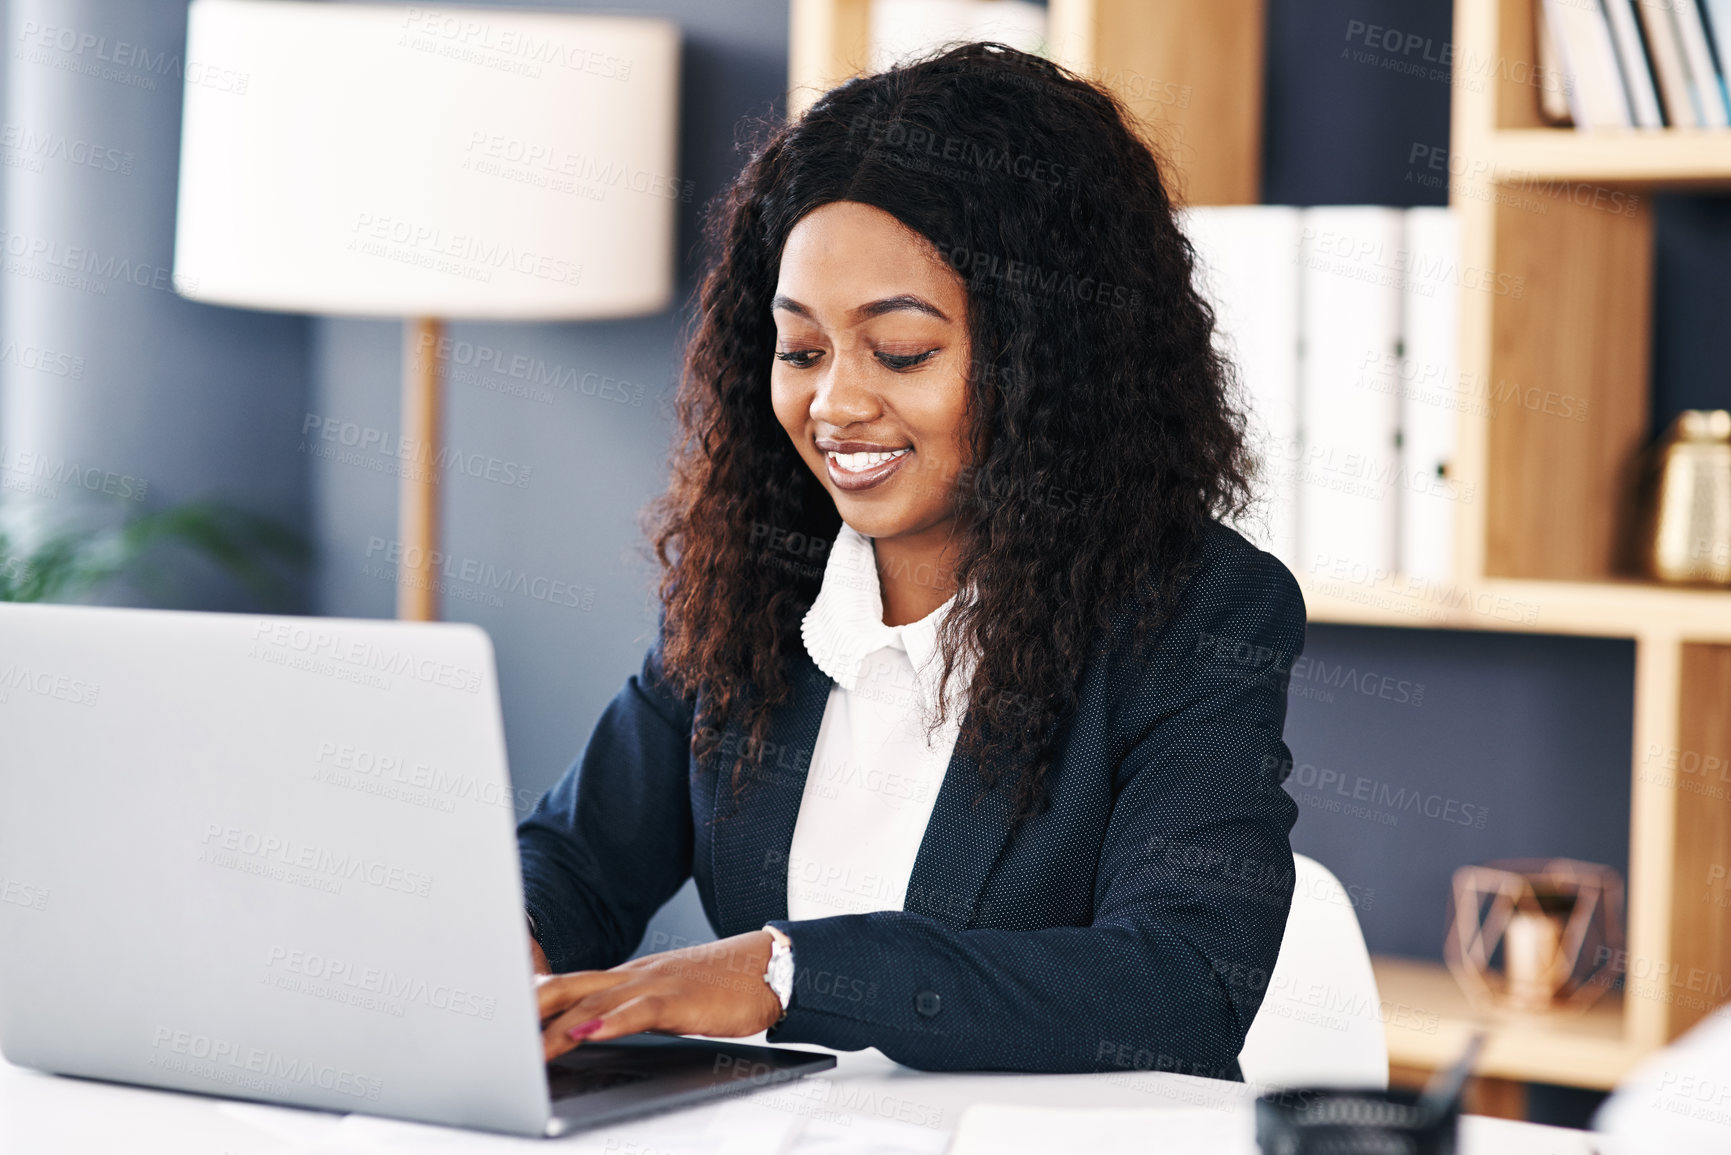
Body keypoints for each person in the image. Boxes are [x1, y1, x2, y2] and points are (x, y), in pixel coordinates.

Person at [519, 41, 1305, 1079]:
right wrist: (505, 949)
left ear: (1050, 360)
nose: (835, 403)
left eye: (901, 352)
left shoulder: (1200, 612)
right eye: (801, 350)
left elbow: (1179, 986)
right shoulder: (757, 588)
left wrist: (789, 973)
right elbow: (575, 861)